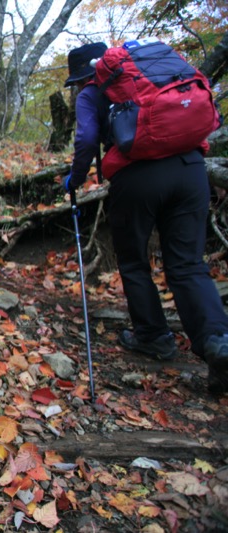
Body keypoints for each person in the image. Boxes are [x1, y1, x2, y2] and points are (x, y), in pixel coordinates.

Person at [62, 42, 228, 394]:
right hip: (190, 169)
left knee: (134, 262)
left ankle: (154, 336)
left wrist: (74, 180)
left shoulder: (91, 93)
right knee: (188, 264)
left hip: (136, 177)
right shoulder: (148, 75)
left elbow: (87, 139)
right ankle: (218, 340)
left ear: (82, 77)